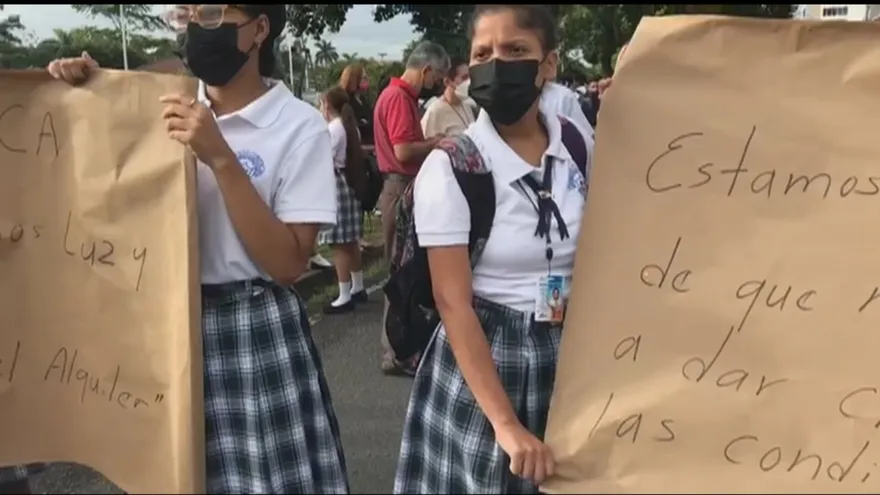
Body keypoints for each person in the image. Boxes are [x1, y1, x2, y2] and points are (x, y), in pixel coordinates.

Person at [45, 5, 349, 493]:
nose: (193, 28)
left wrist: (221, 157)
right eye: (185, 14)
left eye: (210, 13)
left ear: (260, 28)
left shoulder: (298, 126)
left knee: (262, 478)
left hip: (252, 330)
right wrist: (84, 89)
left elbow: (289, 263)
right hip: (166, 325)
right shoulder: (161, 103)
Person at [394, 4, 593, 494]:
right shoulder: (453, 167)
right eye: (483, 54)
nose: (497, 64)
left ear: (548, 64)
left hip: (573, 355)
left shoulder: (576, 144)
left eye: (516, 49)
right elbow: (452, 303)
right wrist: (505, 424)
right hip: (488, 365)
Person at [373, 40, 449, 375]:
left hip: (399, 185)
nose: (438, 84)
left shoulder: (396, 96)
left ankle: (400, 347)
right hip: (399, 184)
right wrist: (435, 142)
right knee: (399, 274)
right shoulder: (399, 98)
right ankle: (396, 350)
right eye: (438, 77)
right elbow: (403, 150)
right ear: (426, 69)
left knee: (403, 271)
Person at [318, 87, 368, 314]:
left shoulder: (333, 128)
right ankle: (357, 286)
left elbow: (323, 158)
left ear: (327, 105)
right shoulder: (350, 126)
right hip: (350, 183)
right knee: (351, 241)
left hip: (337, 185)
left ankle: (344, 294)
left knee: (338, 243)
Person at [420, 56, 474, 138]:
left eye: (470, 76)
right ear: (447, 82)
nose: (469, 81)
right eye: (464, 78)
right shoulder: (435, 111)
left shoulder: (467, 104)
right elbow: (427, 142)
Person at [338, 63, 374, 146]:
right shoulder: (345, 101)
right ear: (354, 79)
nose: (367, 80)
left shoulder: (362, 99)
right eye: (364, 78)